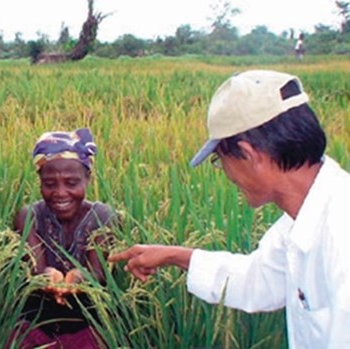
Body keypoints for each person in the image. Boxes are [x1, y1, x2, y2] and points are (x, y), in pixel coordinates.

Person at [109, 70, 350, 348]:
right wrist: (173, 256)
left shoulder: (342, 234)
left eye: (220, 160)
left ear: (248, 154)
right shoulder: (300, 219)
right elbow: (259, 280)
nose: (225, 173)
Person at [7, 128, 117, 349]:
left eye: (72, 183)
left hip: (87, 322)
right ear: (40, 181)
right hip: (36, 321)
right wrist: (49, 276)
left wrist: (77, 277)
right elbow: (36, 270)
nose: (60, 193)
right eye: (49, 184)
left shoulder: (103, 217)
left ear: (88, 179)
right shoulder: (29, 216)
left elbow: (97, 273)